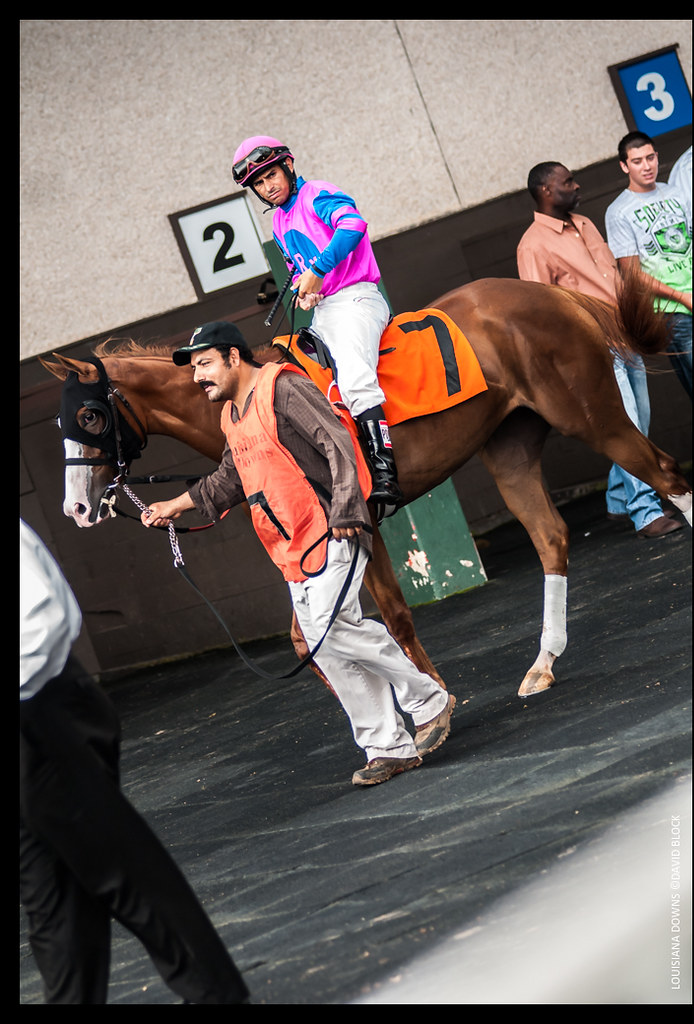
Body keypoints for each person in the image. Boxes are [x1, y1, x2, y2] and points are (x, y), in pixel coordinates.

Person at [141, 321, 455, 787]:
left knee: (334, 633)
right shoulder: (231, 415)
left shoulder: (283, 387)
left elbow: (338, 443)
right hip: (291, 551)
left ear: (232, 356)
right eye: (193, 369)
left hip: (332, 529)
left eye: (204, 364)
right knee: (326, 649)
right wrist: (175, 506)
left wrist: (349, 507)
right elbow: (228, 480)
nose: (197, 377)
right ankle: (387, 745)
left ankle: (428, 700)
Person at [20, 518, 250, 1005]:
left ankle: (219, 996)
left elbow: (41, 617)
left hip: (40, 714)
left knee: (125, 876)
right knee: (53, 901)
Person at [231, 135, 403, 511]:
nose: (267, 187)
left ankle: (385, 472)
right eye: (259, 183)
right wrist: (303, 287)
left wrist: (318, 271)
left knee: (355, 377)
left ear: (288, 166)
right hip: (325, 310)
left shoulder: (319, 193)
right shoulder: (278, 221)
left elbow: (353, 226)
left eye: (271, 175)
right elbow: (297, 269)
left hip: (358, 298)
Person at [516, 162, 681, 539]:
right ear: (545, 191)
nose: (577, 186)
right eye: (568, 182)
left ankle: (619, 498)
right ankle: (644, 512)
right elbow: (542, 315)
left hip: (625, 334)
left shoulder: (585, 223)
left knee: (641, 421)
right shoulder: (532, 246)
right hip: (595, 348)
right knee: (630, 427)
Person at [605, 132, 692, 398]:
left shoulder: (675, 192)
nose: (647, 166)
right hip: (675, 313)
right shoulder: (619, 211)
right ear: (624, 166)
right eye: (637, 161)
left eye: (650, 157)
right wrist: (684, 298)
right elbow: (631, 274)